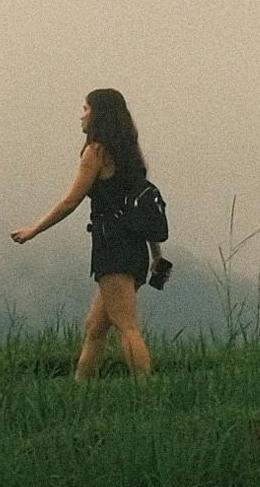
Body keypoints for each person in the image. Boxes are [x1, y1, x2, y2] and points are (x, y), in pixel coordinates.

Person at [13, 88, 167, 377]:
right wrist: (156, 255)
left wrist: (33, 230)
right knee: (95, 328)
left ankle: (147, 391)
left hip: (112, 247)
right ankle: (79, 391)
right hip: (134, 250)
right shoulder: (130, 154)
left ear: (98, 114)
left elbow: (70, 201)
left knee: (127, 326)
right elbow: (141, 209)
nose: (81, 115)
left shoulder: (96, 151)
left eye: (85, 109)